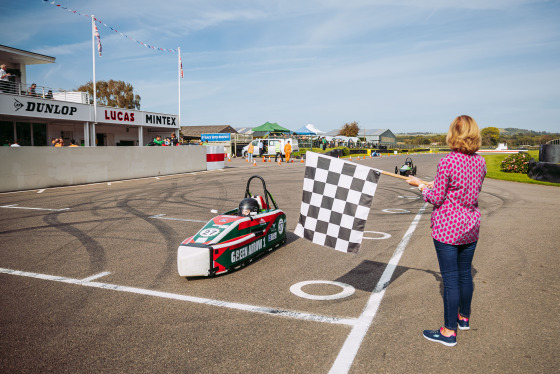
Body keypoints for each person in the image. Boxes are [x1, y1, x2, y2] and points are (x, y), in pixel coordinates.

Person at [406, 115, 486, 347]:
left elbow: (437, 197)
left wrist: (420, 186)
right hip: (470, 226)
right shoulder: (480, 162)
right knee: (464, 275)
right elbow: (461, 188)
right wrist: (431, 183)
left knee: (450, 280)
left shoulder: (448, 162)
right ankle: (463, 318)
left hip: (449, 228)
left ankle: (449, 331)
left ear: (454, 134)